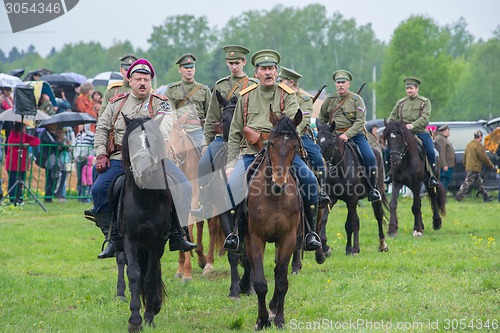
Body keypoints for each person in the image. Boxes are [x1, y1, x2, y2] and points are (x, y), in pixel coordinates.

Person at [87, 58, 196, 259]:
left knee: (184, 186)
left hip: (155, 158)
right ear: (130, 81)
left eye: (146, 79)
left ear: (151, 82)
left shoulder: (161, 103)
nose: (143, 83)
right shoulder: (116, 104)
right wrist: (101, 153)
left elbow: (163, 130)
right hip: (122, 158)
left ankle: (177, 232)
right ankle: (112, 237)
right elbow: (102, 128)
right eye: (138, 79)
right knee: (98, 190)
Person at [224, 49, 321, 251]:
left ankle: (310, 232)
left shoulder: (288, 96)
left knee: (311, 181)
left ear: (277, 72)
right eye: (263, 69)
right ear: (256, 72)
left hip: (284, 154)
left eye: (271, 69)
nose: (268, 72)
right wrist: (231, 165)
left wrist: (283, 139)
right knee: (232, 185)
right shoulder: (246, 97)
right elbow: (234, 133)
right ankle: (235, 234)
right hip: (253, 153)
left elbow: (298, 123)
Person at [191, 45, 258, 220]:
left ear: (244, 62)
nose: (234, 66)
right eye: (230, 63)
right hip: (223, 138)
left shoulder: (253, 85)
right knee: (204, 164)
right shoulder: (220, 86)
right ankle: (205, 204)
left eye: (237, 62)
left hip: (248, 140)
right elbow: (211, 116)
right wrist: (207, 143)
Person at [318, 70, 381, 202]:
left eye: (343, 82)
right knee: (320, 157)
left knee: (370, 157)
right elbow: (322, 118)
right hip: (334, 135)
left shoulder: (357, 100)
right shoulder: (330, 99)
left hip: (355, 135)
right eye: (338, 82)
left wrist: (347, 134)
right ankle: (320, 189)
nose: (340, 85)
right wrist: (326, 131)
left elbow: (360, 121)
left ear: (348, 84)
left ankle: (372, 189)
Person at [278, 66, 331, 208]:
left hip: (300, 136)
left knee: (317, 158)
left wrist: (292, 134)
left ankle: (321, 191)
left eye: (281, 80)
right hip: (279, 138)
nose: (278, 83)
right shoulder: (279, 96)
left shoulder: (304, 99)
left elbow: (304, 119)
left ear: (290, 82)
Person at [387, 77, 439, 188]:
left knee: (430, 150)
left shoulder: (424, 102)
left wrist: (412, 125)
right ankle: (390, 174)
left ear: (417, 89)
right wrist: (391, 126)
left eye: (411, 88)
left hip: (419, 132)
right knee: (390, 149)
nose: (409, 91)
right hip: (403, 134)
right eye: (407, 88)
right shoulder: (401, 103)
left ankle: (432, 176)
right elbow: (392, 117)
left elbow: (425, 117)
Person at [166, 53, 211, 146]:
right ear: (180, 70)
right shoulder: (172, 89)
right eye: (186, 67)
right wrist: (177, 127)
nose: (189, 70)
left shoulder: (204, 90)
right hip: (178, 130)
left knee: (205, 156)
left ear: (195, 69)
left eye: (191, 67)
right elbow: (170, 111)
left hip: (197, 131)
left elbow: (210, 114)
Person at [5, 122, 40, 205]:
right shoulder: (12, 136)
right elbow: (14, 142)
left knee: (21, 182)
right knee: (13, 181)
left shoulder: (24, 136)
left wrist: (28, 143)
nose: (25, 130)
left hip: (22, 164)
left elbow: (36, 141)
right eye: (24, 128)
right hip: (12, 164)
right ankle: (12, 199)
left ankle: (19, 198)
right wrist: (23, 144)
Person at [455, 131, 495, 202]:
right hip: (475, 167)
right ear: (480, 137)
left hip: (469, 167)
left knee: (480, 183)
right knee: (467, 183)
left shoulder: (469, 144)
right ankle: (459, 196)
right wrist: (491, 165)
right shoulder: (478, 145)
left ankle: (486, 197)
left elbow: (464, 156)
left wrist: (465, 164)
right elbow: (484, 157)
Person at [39, 123, 65, 203]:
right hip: (48, 158)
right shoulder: (44, 134)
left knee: (57, 174)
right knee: (50, 177)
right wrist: (60, 144)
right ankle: (48, 197)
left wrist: (63, 146)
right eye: (53, 125)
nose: (55, 126)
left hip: (54, 157)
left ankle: (52, 194)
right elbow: (50, 143)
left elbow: (56, 144)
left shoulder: (52, 134)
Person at [74, 125, 95, 202]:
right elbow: (75, 146)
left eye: (82, 125)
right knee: (80, 178)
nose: (80, 126)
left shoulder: (91, 135)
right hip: (79, 159)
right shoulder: (78, 135)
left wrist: (91, 157)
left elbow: (94, 147)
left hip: (87, 160)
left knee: (88, 178)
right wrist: (75, 156)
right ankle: (80, 196)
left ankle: (87, 196)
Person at [434, 124, 456, 192]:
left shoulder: (444, 138)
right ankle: (441, 195)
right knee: (444, 181)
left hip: (449, 164)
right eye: (447, 130)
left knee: (446, 181)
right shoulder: (440, 139)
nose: (449, 131)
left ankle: (442, 195)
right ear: (444, 131)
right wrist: (444, 165)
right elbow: (441, 153)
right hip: (446, 165)